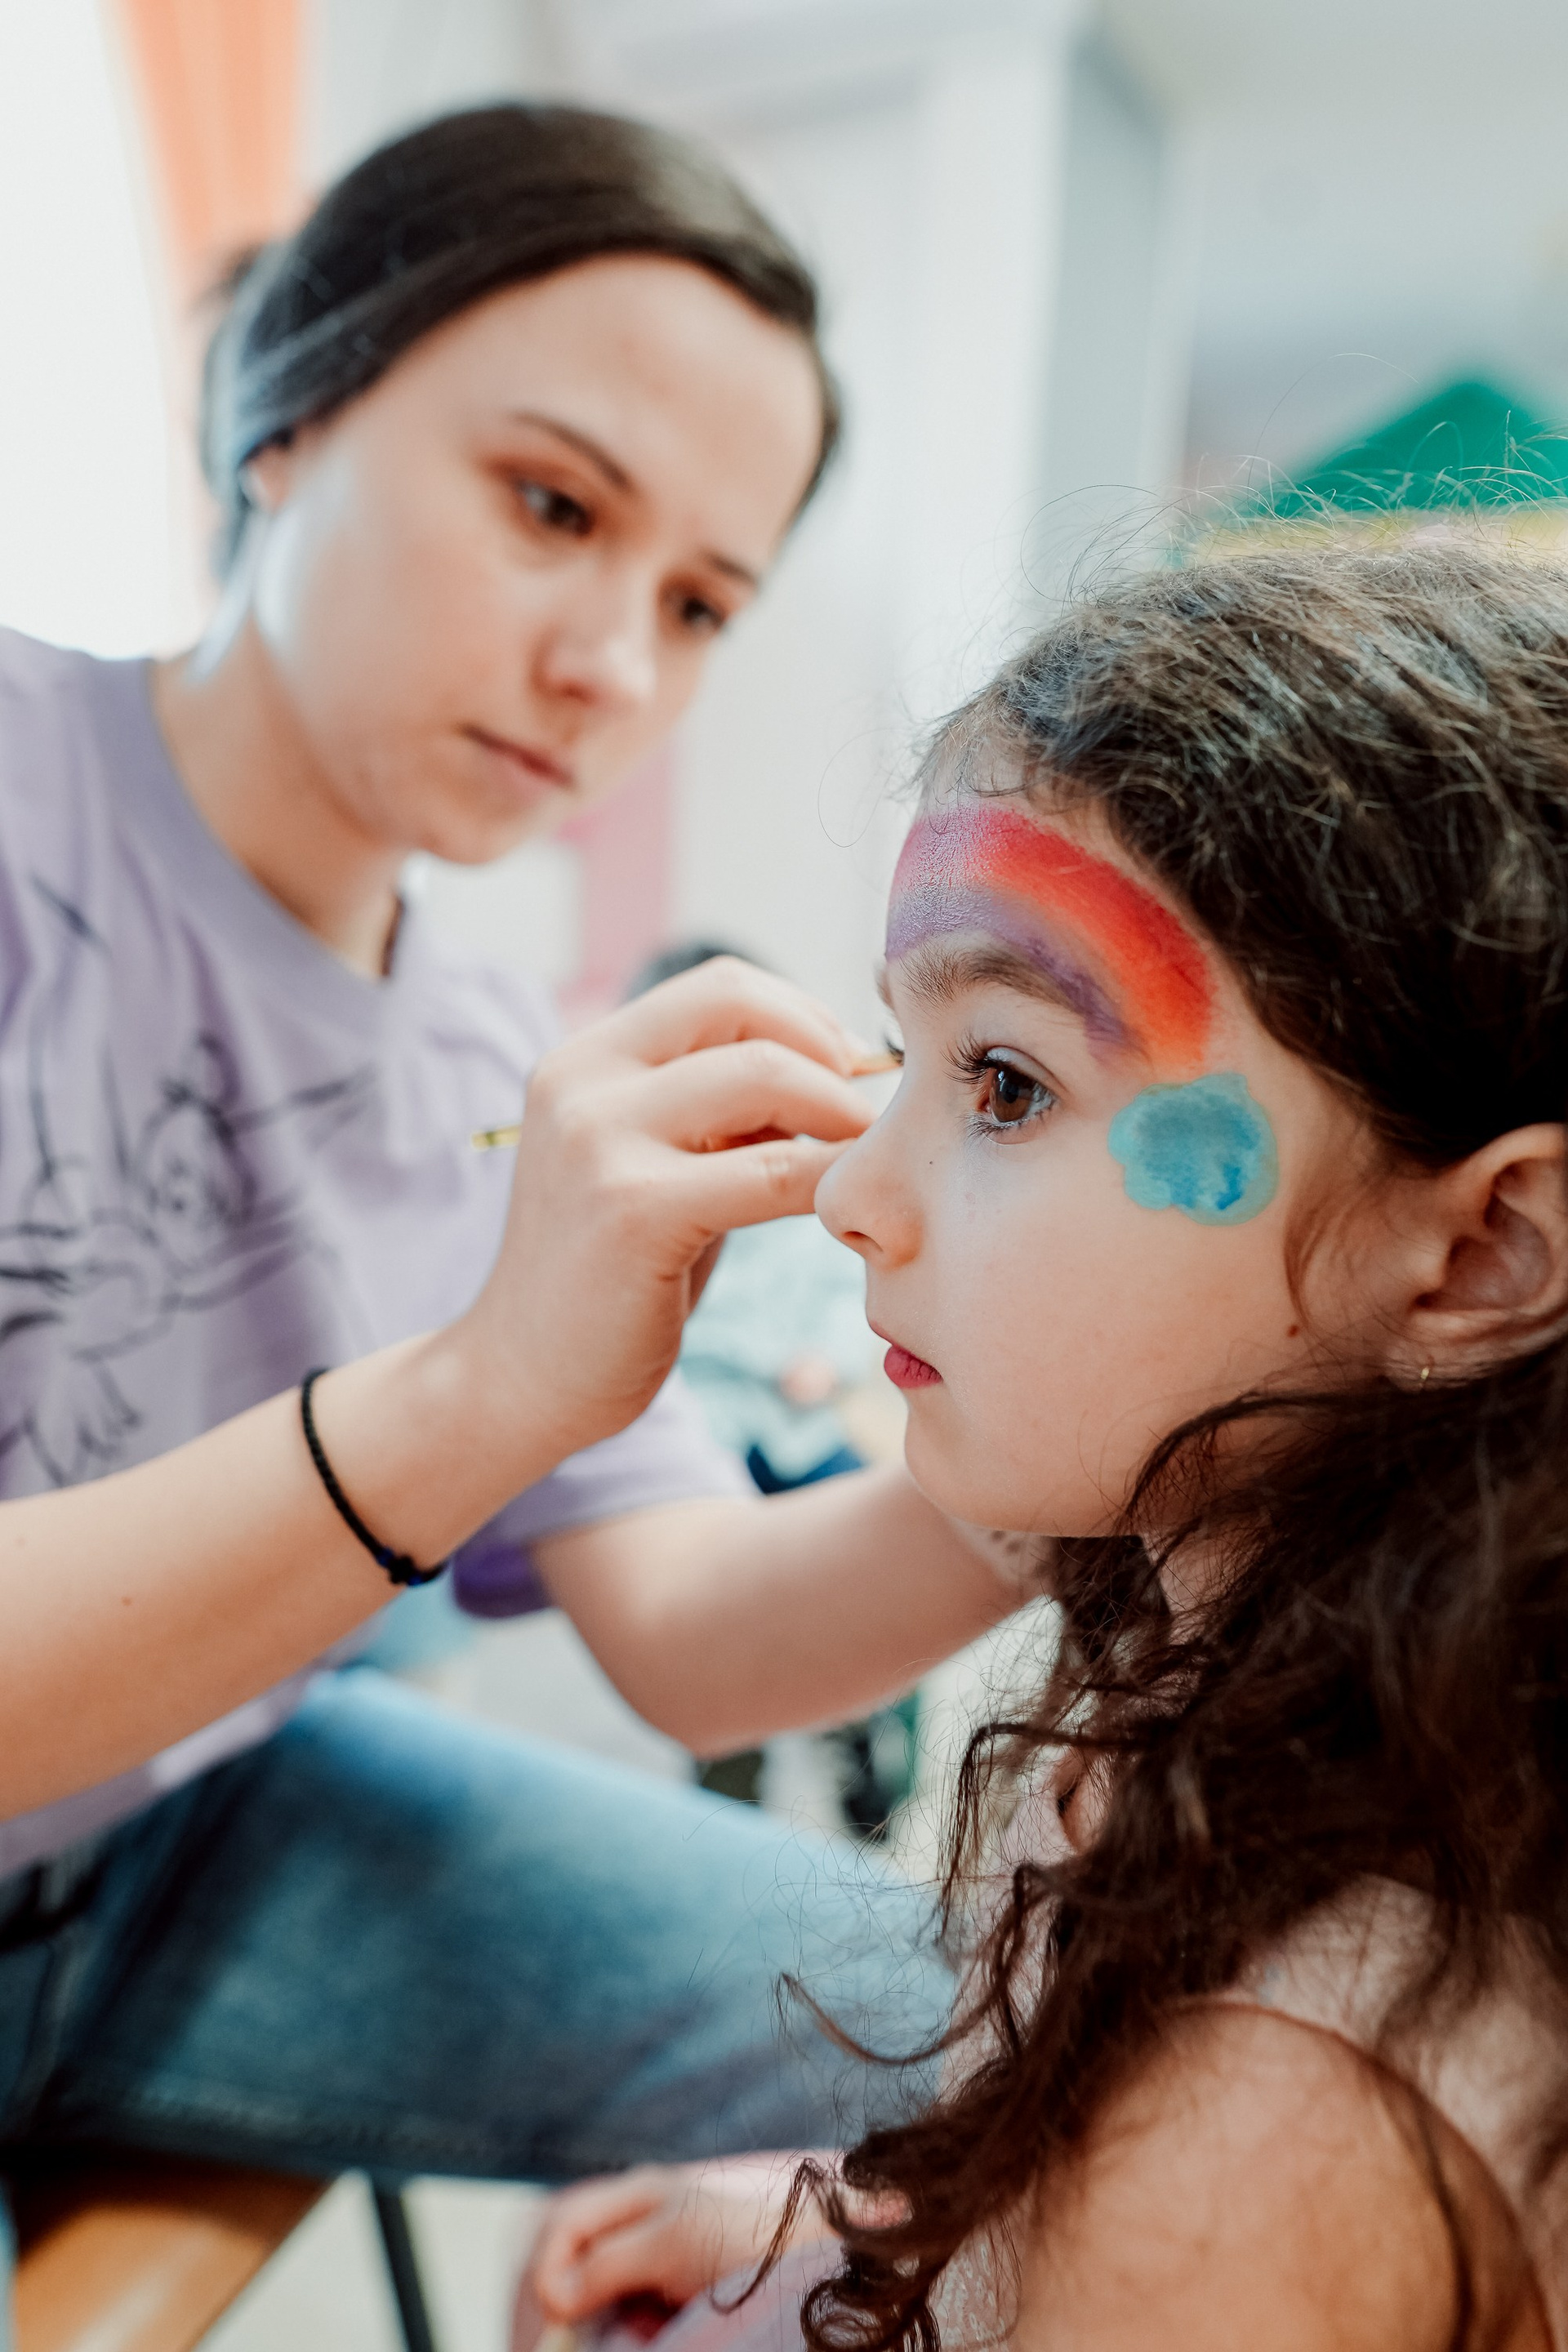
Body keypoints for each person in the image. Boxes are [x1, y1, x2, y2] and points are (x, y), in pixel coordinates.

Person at [0, 102, 1027, 2234]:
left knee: (1023, 2019)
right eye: (553, 505)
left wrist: (1070, 1437)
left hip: (189, 1841)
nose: (611, 670)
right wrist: (479, 1388)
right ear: (290, 411)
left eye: (700, 602)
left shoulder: (490, 1060)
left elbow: (696, 1634)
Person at [520, 542, 1568, 2350]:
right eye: (901, 1055)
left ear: (1479, 1255)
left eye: (1005, 1084)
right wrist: (871, 2211)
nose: (850, 1195)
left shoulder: (1266, 2149)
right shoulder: (1240, 1660)